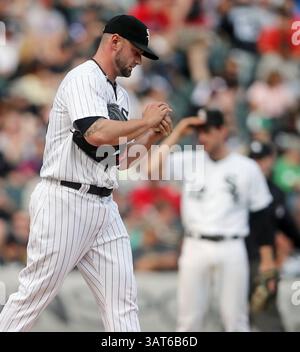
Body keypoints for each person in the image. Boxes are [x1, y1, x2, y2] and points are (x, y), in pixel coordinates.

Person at [0, 14, 172, 332]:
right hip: (65, 199)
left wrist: (151, 137)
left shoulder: (121, 95)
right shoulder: (82, 78)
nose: (139, 60)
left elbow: (118, 161)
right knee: (33, 297)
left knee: (122, 302)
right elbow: (94, 132)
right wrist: (145, 123)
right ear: (115, 41)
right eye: (136, 51)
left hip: (103, 206)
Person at [146, 108, 275, 331]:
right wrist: (178, 132)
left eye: (208, 131)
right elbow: (150, 171)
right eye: (198, 132)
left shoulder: (246, 167)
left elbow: (262, 215)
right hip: (195, 244)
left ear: (222, 131)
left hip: (232, 245)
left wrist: (267, 260)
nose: (202, 137)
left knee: (236, 320)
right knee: (188, 321)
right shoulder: (190, 159)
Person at [247, 140, 300, 331]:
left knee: (267, 314)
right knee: (236, 315)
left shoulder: (275, 192)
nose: (258, 164)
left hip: (262, 260)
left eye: (262, 159)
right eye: (254, 159)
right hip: (237, 255)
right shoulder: (240, 188)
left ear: (271, 160)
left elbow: (286, 225)